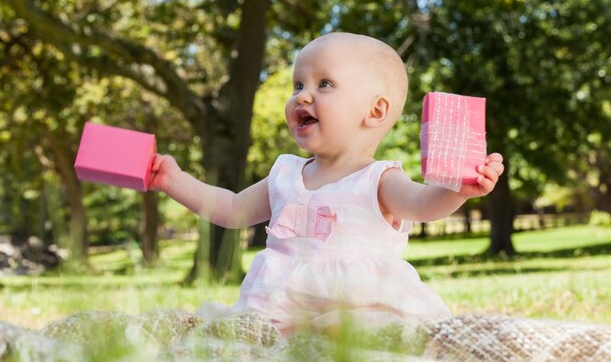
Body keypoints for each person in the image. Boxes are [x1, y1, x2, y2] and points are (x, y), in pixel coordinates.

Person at [149, 32, 504, 336]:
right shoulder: (286, 175)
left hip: (360, 313)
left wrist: (457, 190)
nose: (302, 95)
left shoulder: (378, 179)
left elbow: (422, 204)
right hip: (280, 312)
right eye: (298, 85)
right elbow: (231, 209)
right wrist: (175, 181)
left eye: (324, 84)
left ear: (375, 112)